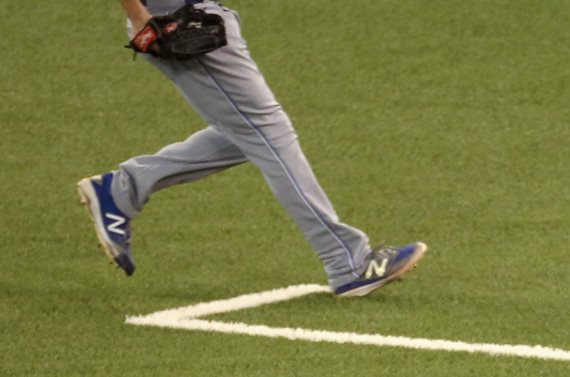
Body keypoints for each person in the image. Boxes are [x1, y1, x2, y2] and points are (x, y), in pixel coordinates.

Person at [78, 0, 426, 297]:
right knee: (268, 133)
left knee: (248, 134)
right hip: (174, 19)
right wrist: (139, 15)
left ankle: (121, 189)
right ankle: (348, 262)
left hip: (193, 12)